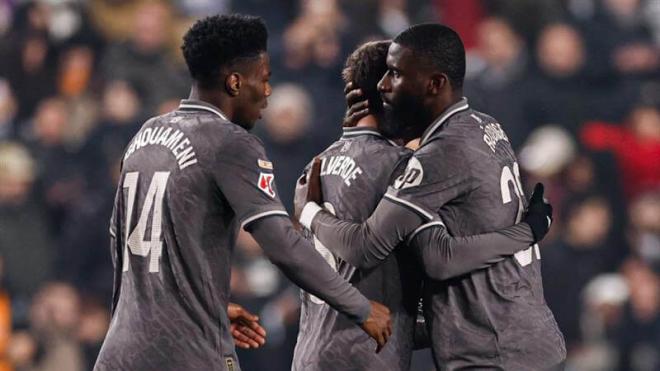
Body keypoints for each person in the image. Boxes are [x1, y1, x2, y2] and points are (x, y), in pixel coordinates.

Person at [94, 14, 391, 371]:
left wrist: (207, 304)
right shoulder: (230, 142)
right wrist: (358, 306)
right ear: (235, 82)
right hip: (187, 355)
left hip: (119, 353)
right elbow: (282, 243)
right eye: (263, 79)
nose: (268, 92)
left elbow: (122, 243)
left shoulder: (145, 135)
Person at [298, 24, 566, 370]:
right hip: (526, 336)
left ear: (434, 83)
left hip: (493, 352)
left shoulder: (435, 157)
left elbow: (375, 248)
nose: (385, 86)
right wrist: (527, 232)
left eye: (395, 75)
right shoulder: (487, 126)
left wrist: (308, 211)